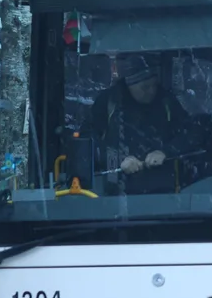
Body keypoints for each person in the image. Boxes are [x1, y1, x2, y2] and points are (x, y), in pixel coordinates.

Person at [83, 54, 196, 195]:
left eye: (154, 84)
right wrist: (118, 160)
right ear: (130, 84)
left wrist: (166, 152)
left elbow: (191, 134)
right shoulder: (109, 102)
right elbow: (87, 141)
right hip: (117, 192)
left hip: (163, 192)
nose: (151, 91)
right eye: (145, 87)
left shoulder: (167, 101)